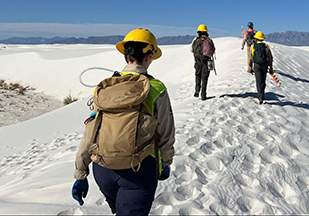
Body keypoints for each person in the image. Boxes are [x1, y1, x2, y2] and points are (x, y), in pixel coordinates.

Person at [72, 28, 175, 215]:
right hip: (139, 171)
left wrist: (80, 173)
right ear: (149, 55)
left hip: (102, 170)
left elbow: (91, 131)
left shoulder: (104, 89)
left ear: (126, 56)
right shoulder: (156, 88)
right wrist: (166, 163)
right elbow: (166, 132)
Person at [190, 24, 216, 100]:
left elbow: (191, 50)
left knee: (197, 75)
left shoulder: (195, 40)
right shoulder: (209, 40)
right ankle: (203, 95)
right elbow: (213, 50)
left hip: (197, 61)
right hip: (206, 61)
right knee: (204, 78)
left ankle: (197, 90)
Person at [249, 31, 274, 104]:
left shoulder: (253, 46)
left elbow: (250, 57)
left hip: (256, 65)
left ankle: (260, 97)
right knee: (263, 80)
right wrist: (271, 67)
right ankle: (262, 95)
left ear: (256, 39)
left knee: (258, 81)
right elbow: (270, 57)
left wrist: (250, 67)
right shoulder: (266, 46)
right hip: (264, 65)